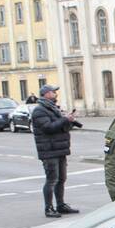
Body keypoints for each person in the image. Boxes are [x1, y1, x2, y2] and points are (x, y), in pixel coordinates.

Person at [31, 84, 81, 218]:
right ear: (46, 94)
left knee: (61, 179)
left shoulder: (53, 109)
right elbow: (48, 127)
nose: (55, 94)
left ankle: (60, 205)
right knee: (52, 179)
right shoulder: (39, 110)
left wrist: (69, 120)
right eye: (53, 92)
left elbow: (61, 127)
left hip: (59, 149)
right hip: (49, 150)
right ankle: (49, 208)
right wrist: (65, 119)